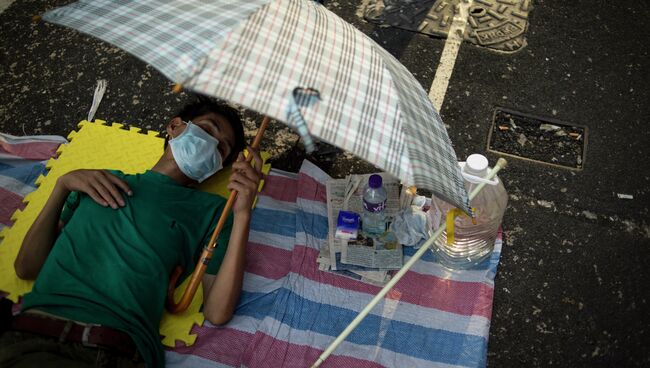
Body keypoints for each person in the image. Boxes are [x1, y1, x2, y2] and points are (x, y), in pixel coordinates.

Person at [1, 99, 263, 367]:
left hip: (115, 351)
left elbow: (217, 312)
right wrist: (62, 184)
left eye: (221, 147)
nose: (210, 144)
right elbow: (26, 267)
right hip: (29, 336)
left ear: (217, 167)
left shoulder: (214, 212)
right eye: (208, 129)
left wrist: (242, 214)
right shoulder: (95, 180)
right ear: (174, 126)